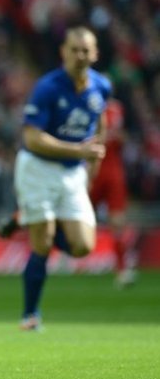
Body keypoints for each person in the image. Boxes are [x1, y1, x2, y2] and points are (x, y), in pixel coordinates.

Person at [10, 26, 110, 331]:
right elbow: (32, 137)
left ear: (95, 54)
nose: (80, 55)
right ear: (63, 52)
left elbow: (101, 121)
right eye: (74, 49)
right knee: (42, 243)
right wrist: (77, 150)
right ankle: (30, 316)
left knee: (82, 246)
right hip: (38, 169)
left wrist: (90, 165)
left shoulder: (102, 86)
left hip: (73, 172)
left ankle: (24, 218)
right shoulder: (48, 87)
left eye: (86, 50)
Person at [89, 98, 138, 288]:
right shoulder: (86, 107)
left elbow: (124, 139)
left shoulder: (117, 108)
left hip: (113, 173)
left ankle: (122, 269)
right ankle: (59, 255)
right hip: (93, 171)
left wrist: (117, 136)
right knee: (76, 217)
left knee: (117, 222)